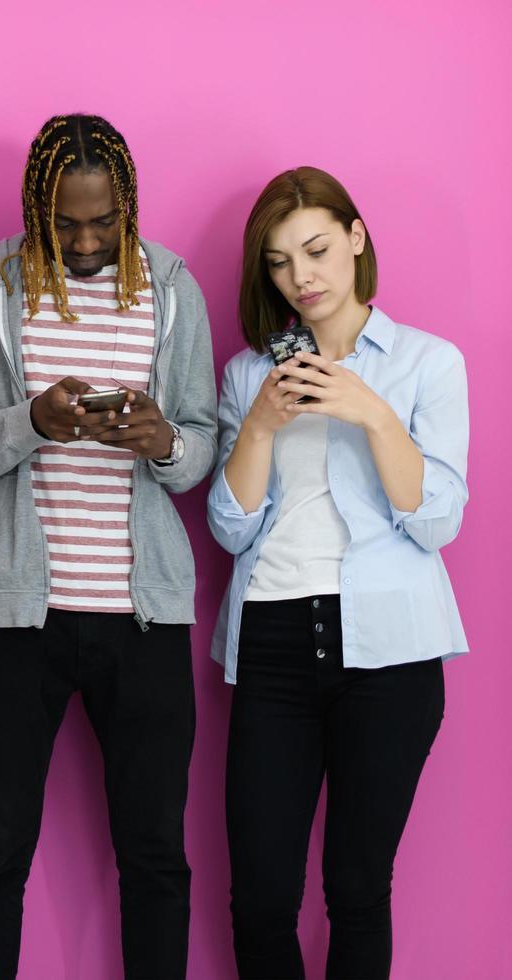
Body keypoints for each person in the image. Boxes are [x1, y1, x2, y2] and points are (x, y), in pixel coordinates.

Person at [0, 113, 217, 979]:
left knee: (156, 857)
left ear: (128, 208)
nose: (86, 242)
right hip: (18, 619)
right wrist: (29, 423)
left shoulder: (172, 289)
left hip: (145, 618)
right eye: (65, 224)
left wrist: (163, 441)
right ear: (33, 209)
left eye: (104, 222)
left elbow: (199, 446)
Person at [209, 166, 468, 980]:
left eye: (316, 249)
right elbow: (229, 528)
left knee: (357, 890)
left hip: (390, 650)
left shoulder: (430, 362)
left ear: (356, 237)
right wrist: (257, 426)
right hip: (275, 639)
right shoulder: (250, 373)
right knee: (259, 899)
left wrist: (371, 410)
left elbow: (435, 522)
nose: (302, 278)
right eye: (281, 263)